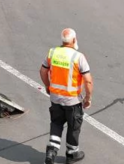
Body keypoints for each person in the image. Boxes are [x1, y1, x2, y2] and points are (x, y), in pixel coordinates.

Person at [40, 28, 93, 164]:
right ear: (74, 40)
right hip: (72, 100)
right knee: (73, 125)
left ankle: (51, 152)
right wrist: (87, 98)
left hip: (55, 98)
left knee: (56, 123)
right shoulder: (78, 57)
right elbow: (88, 80)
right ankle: (72, 154)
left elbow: (43, 71)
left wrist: (48, 86)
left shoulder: (53, 52)